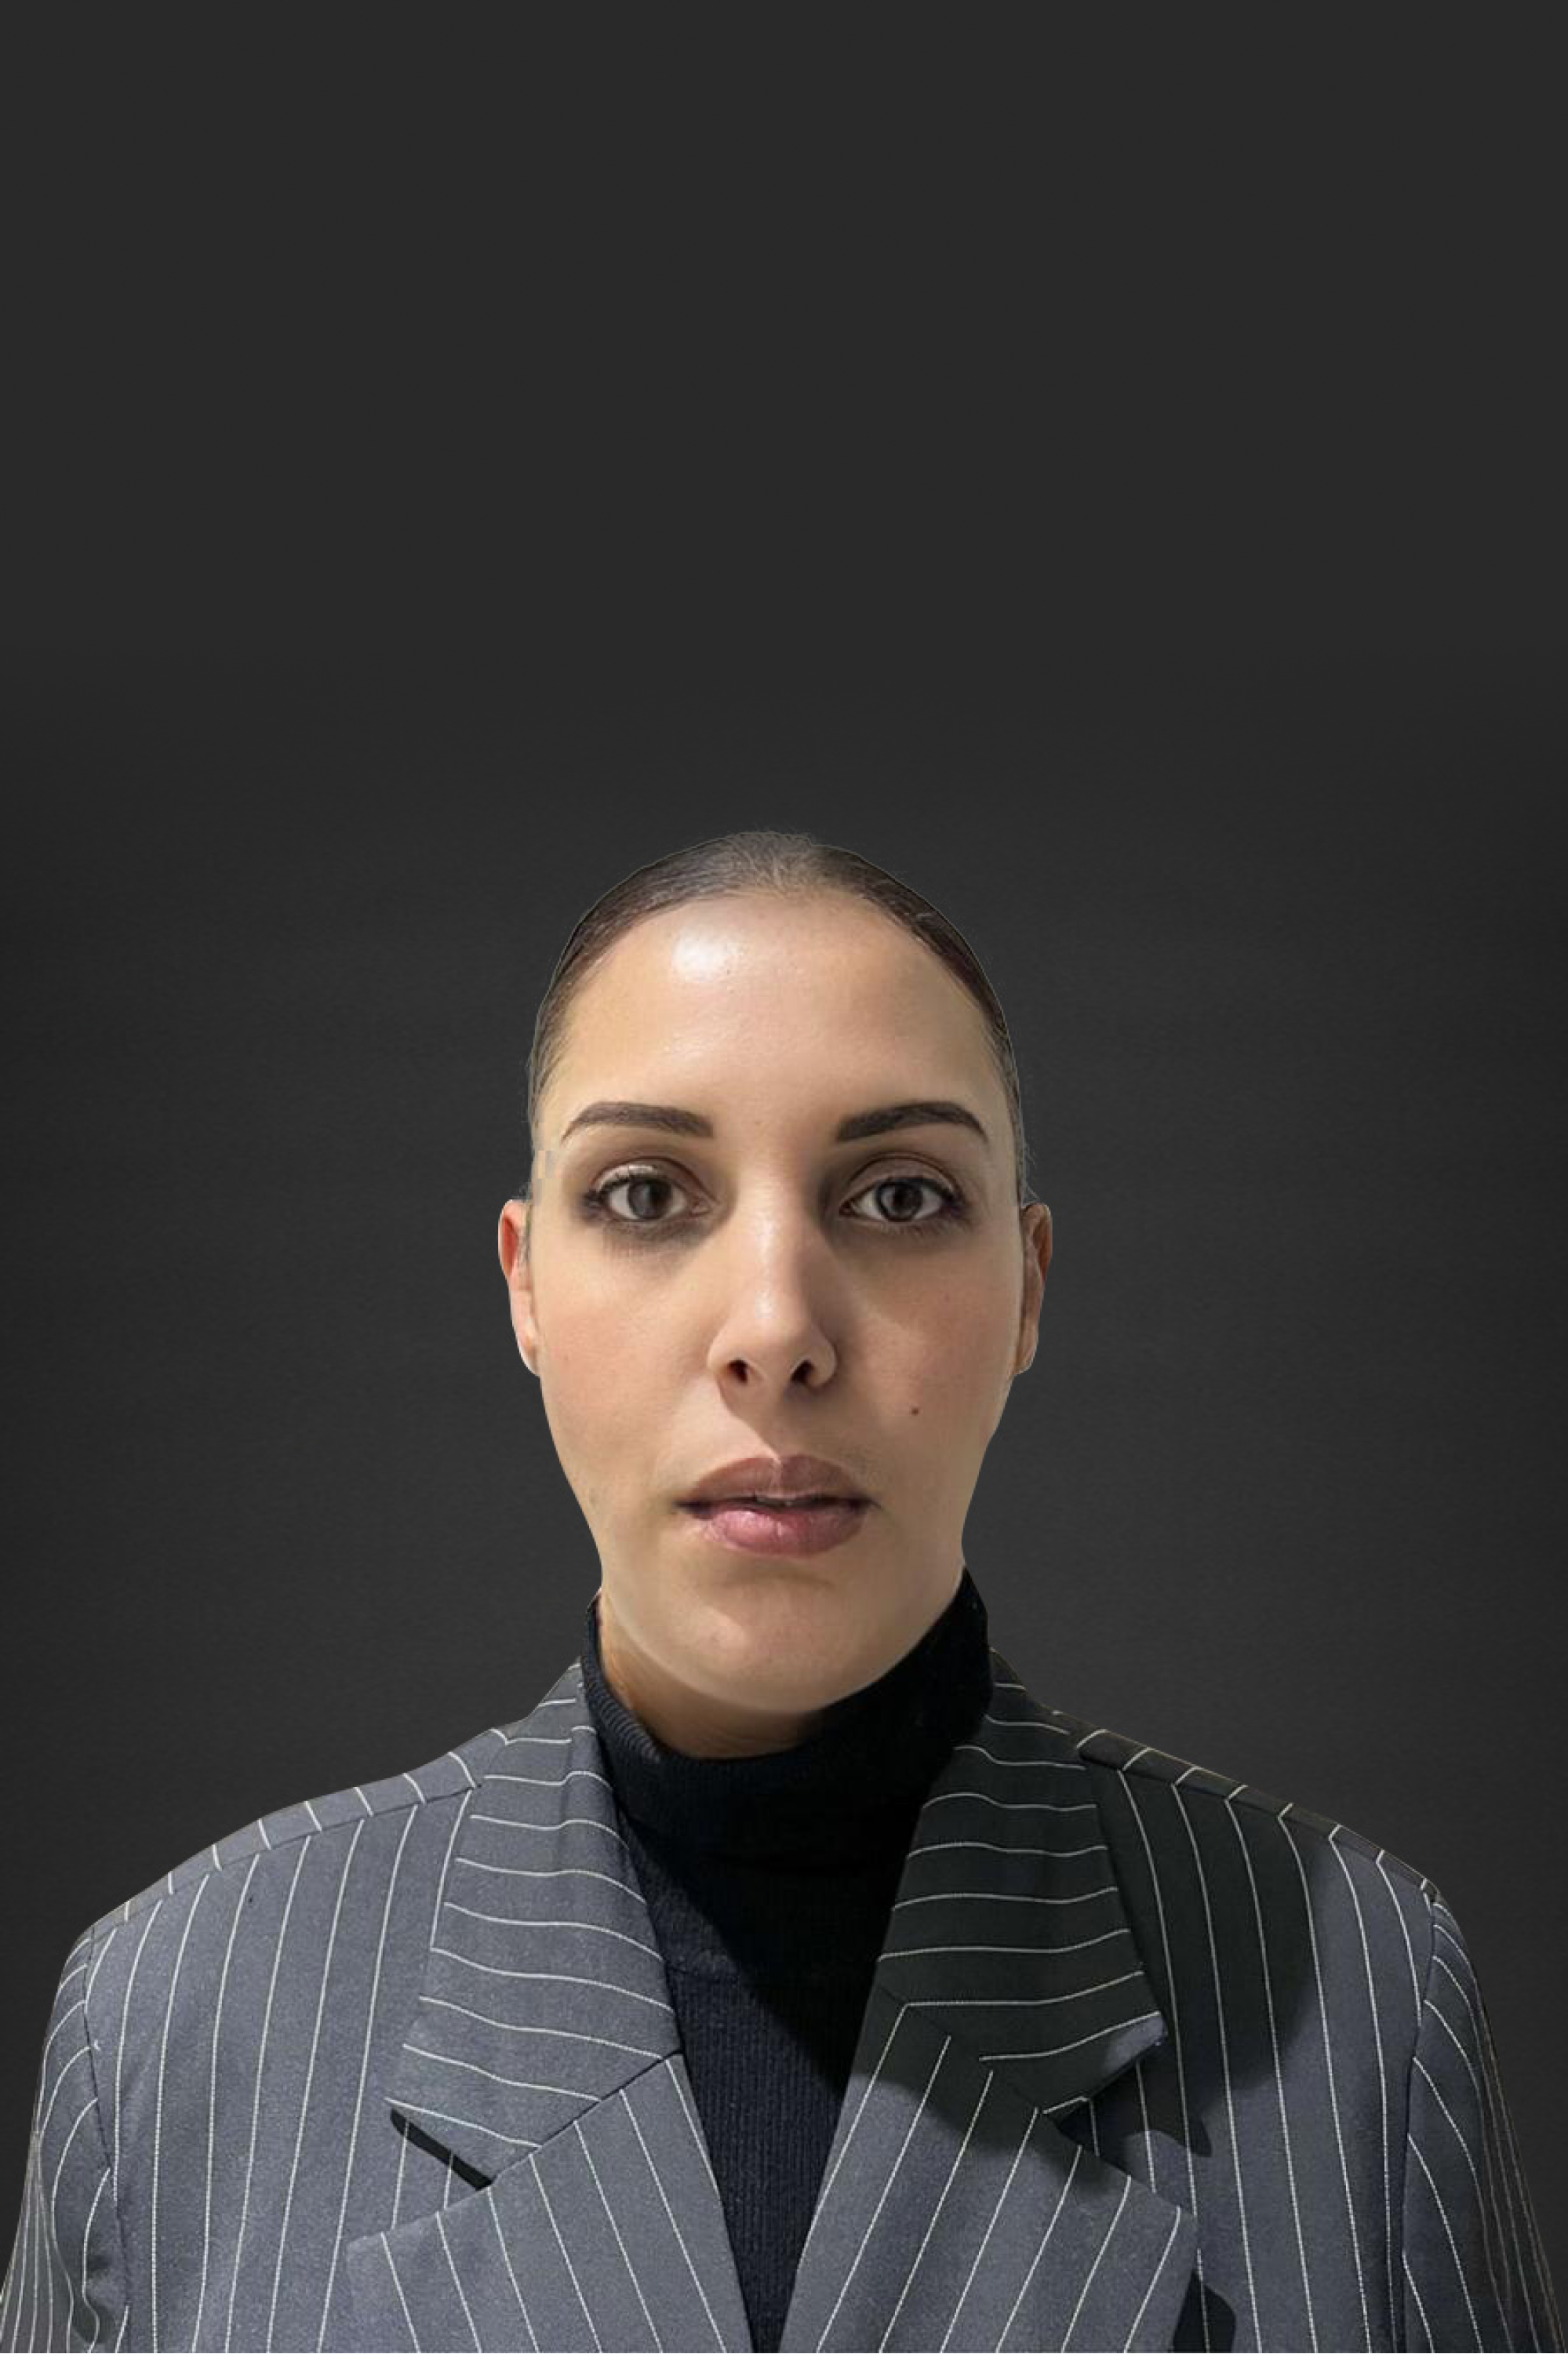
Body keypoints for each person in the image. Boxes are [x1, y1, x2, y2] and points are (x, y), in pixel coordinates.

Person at [1, 827, 1558, 2354]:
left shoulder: (1359, 1996)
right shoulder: (175, 2018)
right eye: (645, 1195)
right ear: (525, 1284)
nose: (773, 1329)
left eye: (899, 1198)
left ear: (1026, 1288)